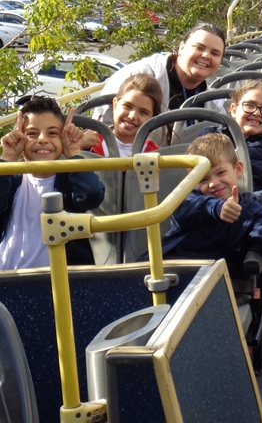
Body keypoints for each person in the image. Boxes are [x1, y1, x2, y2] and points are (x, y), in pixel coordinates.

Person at [202, 79, 262, 327]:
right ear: (233, 109)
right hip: (215, 206)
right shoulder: (212, 139)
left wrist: (261, 198)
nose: (257, 113)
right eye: (250, 106)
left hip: (256, 208)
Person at [161, 134, 262, 280]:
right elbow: (181, 212)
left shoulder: (250, 210)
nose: (213, 183)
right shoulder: (190, 200)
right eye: (203, 179)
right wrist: (217, 208)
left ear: (238, 169)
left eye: (221, 173)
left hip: (216, 280)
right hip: (171, 271)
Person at [0, 97, 105, 269]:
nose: (42, 139)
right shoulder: (11, 179)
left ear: (62, 138)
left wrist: (74, 153)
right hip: (9, 277)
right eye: (32, 133)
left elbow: (92, 196)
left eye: (52, 133)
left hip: (61, 279)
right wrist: (8, 158)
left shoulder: (70, 180)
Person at [95, 22, 226, 124]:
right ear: (182, 48)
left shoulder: (214, 102)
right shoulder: (139, 75)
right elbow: (103, 125)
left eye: (215, 53)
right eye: (199, 47)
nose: (206, 56)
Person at [88, 73, 162, 157]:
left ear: (152, 119)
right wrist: (78, 145)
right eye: (128, 106)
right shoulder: (90, 143)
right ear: (115, 105)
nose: (132, 116)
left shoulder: (154, 156)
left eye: (143, 112)